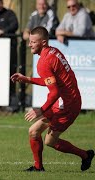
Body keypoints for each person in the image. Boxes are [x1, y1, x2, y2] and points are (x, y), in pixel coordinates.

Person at [11, 26, 94, 171]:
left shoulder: (44, 62)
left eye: (33, 42)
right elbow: (51, 82)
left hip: (67, 106)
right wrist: (28, 79)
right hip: (64, 101)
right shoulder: (53, 51)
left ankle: (85, 155)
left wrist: (41, 110)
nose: (29, 44)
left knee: (50, 141)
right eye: (29, 41)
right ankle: (38, 168)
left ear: (43, 42)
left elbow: (54, 92)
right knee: (33, 131)